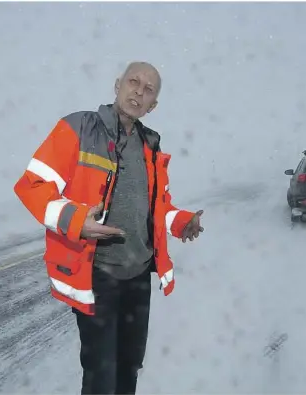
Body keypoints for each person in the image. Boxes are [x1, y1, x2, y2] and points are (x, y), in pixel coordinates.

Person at [14, 61, 204, 394]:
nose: (138, 92)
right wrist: (76, 221)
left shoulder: (151, 147)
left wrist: (181, 221)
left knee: (129, 366)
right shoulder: (79, 128)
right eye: (133, 82)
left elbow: (156, 207)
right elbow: (33, 185)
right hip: (98, 272)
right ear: (117, 85)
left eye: (148, 90)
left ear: (153, 105)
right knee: (101, 374)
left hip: (138, 276)